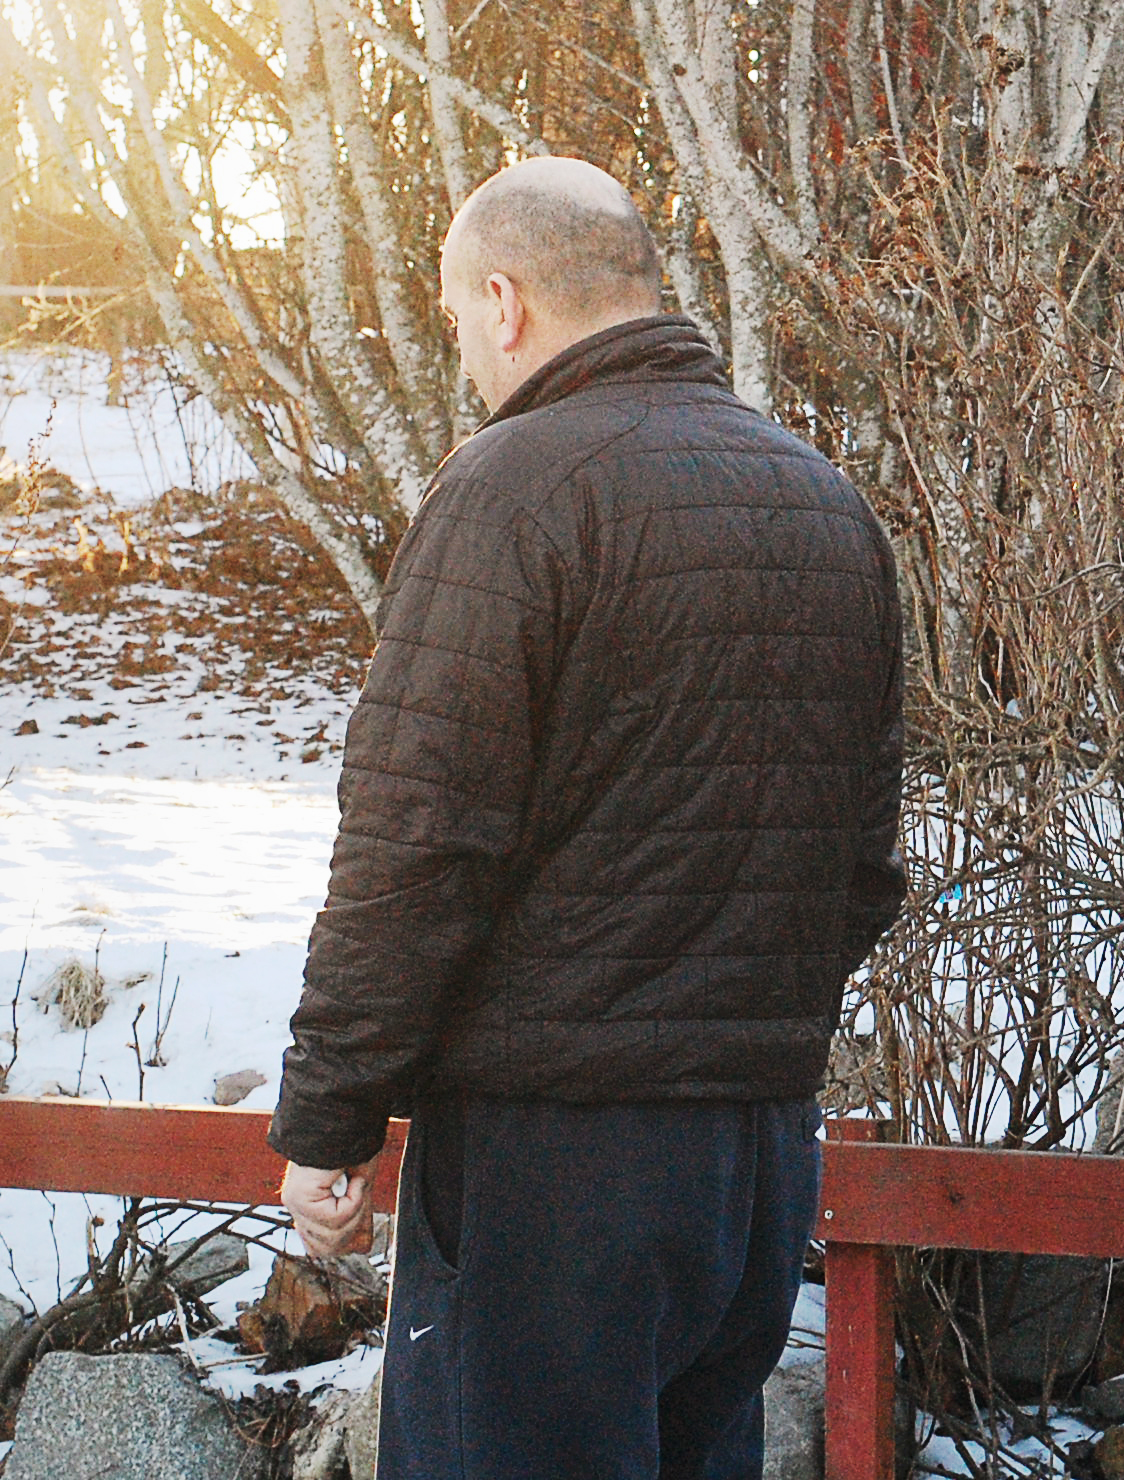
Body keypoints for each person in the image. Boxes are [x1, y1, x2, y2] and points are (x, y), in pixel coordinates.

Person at [267, 157, 906, 1479]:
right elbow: (864, 872)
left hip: (552, 1164)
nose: (466, 359)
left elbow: (414, 846)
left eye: (455, 324)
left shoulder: (512, 488)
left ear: (502, 303)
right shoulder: (826, 505)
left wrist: (329, 1116)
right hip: (757, 1159)